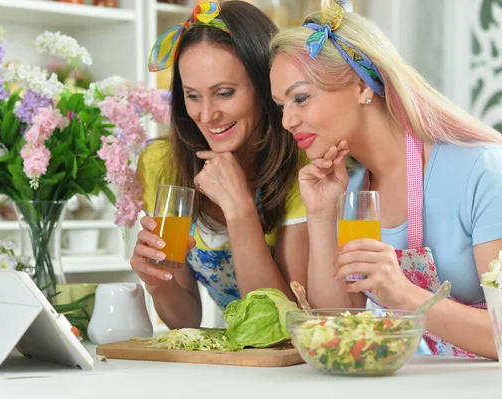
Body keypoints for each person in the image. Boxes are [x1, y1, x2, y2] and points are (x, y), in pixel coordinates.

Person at [269, 0, 502, 359]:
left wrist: (403, 294)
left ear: (363, 86)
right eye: (281, 106)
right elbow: (339, 324)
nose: (288, 121)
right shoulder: (350, 186)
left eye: (301, 98)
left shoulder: (482, 171)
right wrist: (321, 215)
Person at [131, 1, 309, 329]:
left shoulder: (303, 168)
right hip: (228, 367)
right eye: (193, 95)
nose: (207, 115)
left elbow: (288, 323)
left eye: (224, 93)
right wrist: (158, 283)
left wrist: (239, 208)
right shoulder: (160, 164)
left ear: (264, 85)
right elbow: (186, 319)